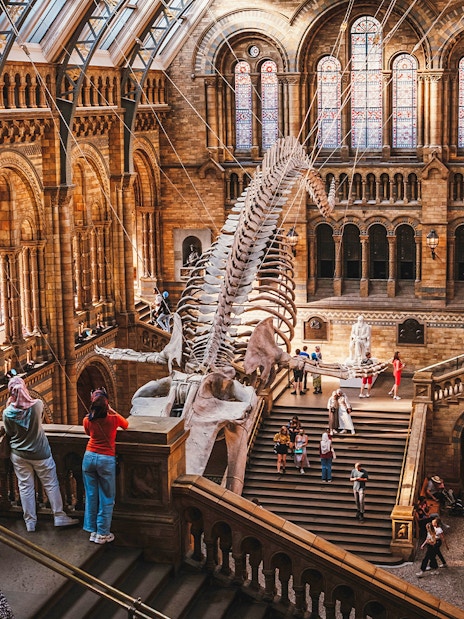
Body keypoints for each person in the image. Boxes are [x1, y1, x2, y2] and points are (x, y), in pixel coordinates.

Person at [2, 376, 79, 532]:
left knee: (25, 487)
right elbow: (39, 418)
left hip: (19, 455)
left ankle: (30, 522)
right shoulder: (37, 405)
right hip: (40, 453)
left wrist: (9, 405)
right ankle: (59, 516)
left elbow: (9, 432)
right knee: (51, 484)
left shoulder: (7, 412)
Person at [82, 388, 129, 544]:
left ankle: (92, 530)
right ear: (107, 404)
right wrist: (111, 410)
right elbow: (126, 424)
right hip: (105, 459)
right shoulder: (113, 419)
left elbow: (89, 434)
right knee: (107, 497)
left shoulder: (87, 420)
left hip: (88, 458)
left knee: (91, 495)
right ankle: (102, 533)